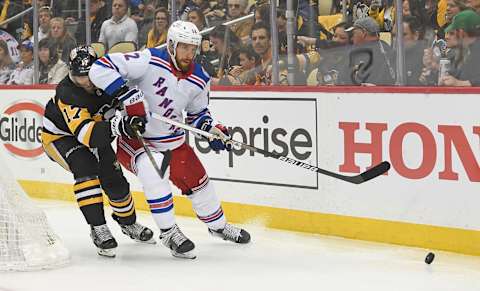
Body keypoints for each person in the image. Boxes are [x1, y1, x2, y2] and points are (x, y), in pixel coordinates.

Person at [89, 20, 251, 259]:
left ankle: (218, 227)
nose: (189, 53)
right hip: (138, 141)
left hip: (174, 142)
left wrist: (211, 129)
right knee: (156, 173)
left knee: (201, 186)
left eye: (193, 48)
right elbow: (99, 68)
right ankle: (168, 232)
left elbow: (198, 114)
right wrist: (129, 96)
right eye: (184, 47)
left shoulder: (200, 77)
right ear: (172, 44)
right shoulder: (148, 60)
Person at [40, 45, 154, 258]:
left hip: (98, 130)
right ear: (71, 74)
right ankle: (98, 227)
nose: (87, 82)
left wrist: (137, 113)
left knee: (115, 180)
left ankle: (128, 223)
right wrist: (119, 126)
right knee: (86, 167)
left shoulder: (109, 77)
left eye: (90, 75)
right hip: (61, 138)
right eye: (80, 77)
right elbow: (86, 135)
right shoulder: (67, 93)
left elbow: (132, 96)